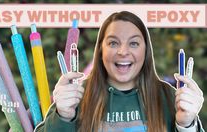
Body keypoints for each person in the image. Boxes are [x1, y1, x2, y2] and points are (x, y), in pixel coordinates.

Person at [35, 11, 204, 132]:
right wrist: (63, 117)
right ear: (100, 50)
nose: (123, 51)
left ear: (146, 51)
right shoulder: (75, 97)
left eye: (134, 43)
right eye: (113, 43)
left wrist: (187, 126)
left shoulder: (170, 98)